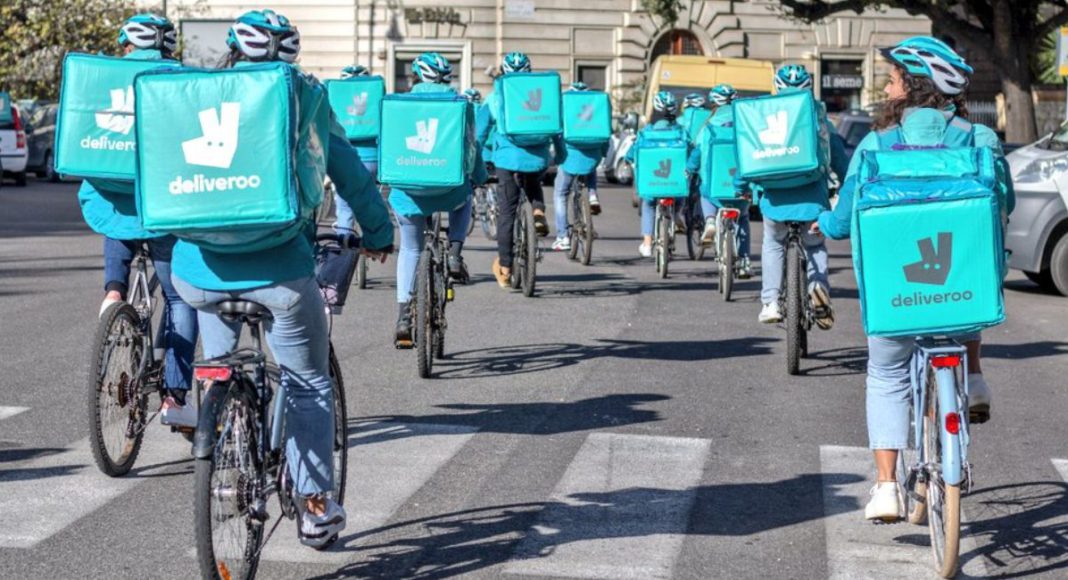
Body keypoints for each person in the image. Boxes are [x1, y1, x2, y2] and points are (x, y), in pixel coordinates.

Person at [169, 9, 393, 547]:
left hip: (198, 271)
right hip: (280, 273)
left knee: (217, 364)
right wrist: (380, 233)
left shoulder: (192, 94)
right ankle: (314, 507)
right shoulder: (307, 96)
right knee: (307, 382)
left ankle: (224, 444)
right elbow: (350, 174)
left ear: (233, 49)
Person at [815, 36, 1011, 521]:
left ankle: (885, 487)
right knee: (967, 285)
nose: (887, 87)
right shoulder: (980, 141)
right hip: (961, 298)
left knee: (886, 374)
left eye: (892, 78)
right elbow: (1003, 205)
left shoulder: (876, 146)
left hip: (896, 298)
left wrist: (825, 222)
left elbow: (842, 222)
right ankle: (974, 378)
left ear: (912, 85)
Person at [79, 13, 199, 428]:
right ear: (168, 46)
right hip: (165, 209)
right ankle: (175, 397)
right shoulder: (182, 79)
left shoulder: (102, 77)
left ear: (127, 45)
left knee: (116, 216)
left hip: (112, 201)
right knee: (180, 299)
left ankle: (113, 293)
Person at [738, 64, 847, 328]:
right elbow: (838, 156)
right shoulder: (819, 116)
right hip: (812, 200)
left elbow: (748, 156)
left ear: (777, 87)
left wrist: (740, 185)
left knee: (774, 243)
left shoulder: (762, 114)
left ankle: (771, 302)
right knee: (814, 245)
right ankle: (818, 286)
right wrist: (845, 182)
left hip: (775, 201)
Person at [390, 52, 485, 345]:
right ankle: (455, 252)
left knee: (410, 248)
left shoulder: (397, 103)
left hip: (408, 192)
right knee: (465, 196)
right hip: (448, 190)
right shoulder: (461, 104)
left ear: (415, 77)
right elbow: (471, 146)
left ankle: (404, 316)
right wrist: (479, 176)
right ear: (447, 78)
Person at [484, 51, 566, 287]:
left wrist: (480, 159)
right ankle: (538, 211)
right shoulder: (545, 92)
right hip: (537, 156)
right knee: (532, 181)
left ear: (504, 72)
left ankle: (506, 266)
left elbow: (480, 131)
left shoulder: (495, 95)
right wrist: (560, 155)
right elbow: (558, 128)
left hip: (507, 159)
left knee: (507, 212)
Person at [686, 84, 752, 278]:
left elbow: (698, 152)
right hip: (741, 187)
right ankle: (744, 261)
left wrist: (690, 168)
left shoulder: (709, 125)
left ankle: (709, 220)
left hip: (714, 186)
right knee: (743, 218)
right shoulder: (746, 122)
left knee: (704, 191)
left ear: (714, 103)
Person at [626, 91, 691, 258]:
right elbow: (690, 151)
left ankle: (647, 244)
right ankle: (677, 214)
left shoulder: (646, 132)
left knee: (648, 205)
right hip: (673, 183)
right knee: (680, 193)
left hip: (652, 183)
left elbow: (633, 151)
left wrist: (628, 159)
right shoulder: (681, 132)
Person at [551, 81, 607, 252]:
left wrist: (558, 156)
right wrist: (603, 153)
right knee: (589, 167)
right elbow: (606, 134)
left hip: (570, 156)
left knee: (561, 193)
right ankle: (592, 194)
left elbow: (557, 134)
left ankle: (562, 236)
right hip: (593, 156)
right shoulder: (596, 107)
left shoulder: (564, 106)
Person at [333, 64, 380, 237]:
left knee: (345, 207)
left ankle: (344, 245)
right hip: (372, 158)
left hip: (344, 158)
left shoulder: (334, 96)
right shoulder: (376, 96)